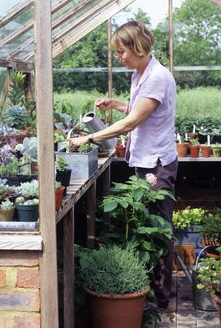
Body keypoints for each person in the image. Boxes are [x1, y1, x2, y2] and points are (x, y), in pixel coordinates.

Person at [69, 20, 178, 309]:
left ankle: (162, 299)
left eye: (121, 52)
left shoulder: (157, 76)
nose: (119, 58)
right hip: (144, 160)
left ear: (137, 47)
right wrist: (115, 104)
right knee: (146, 225)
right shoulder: (140, 74)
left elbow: (131, 122)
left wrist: (88, 138)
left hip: (157, 165)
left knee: (157, 228)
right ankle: (153, 292)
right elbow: (139, 109)